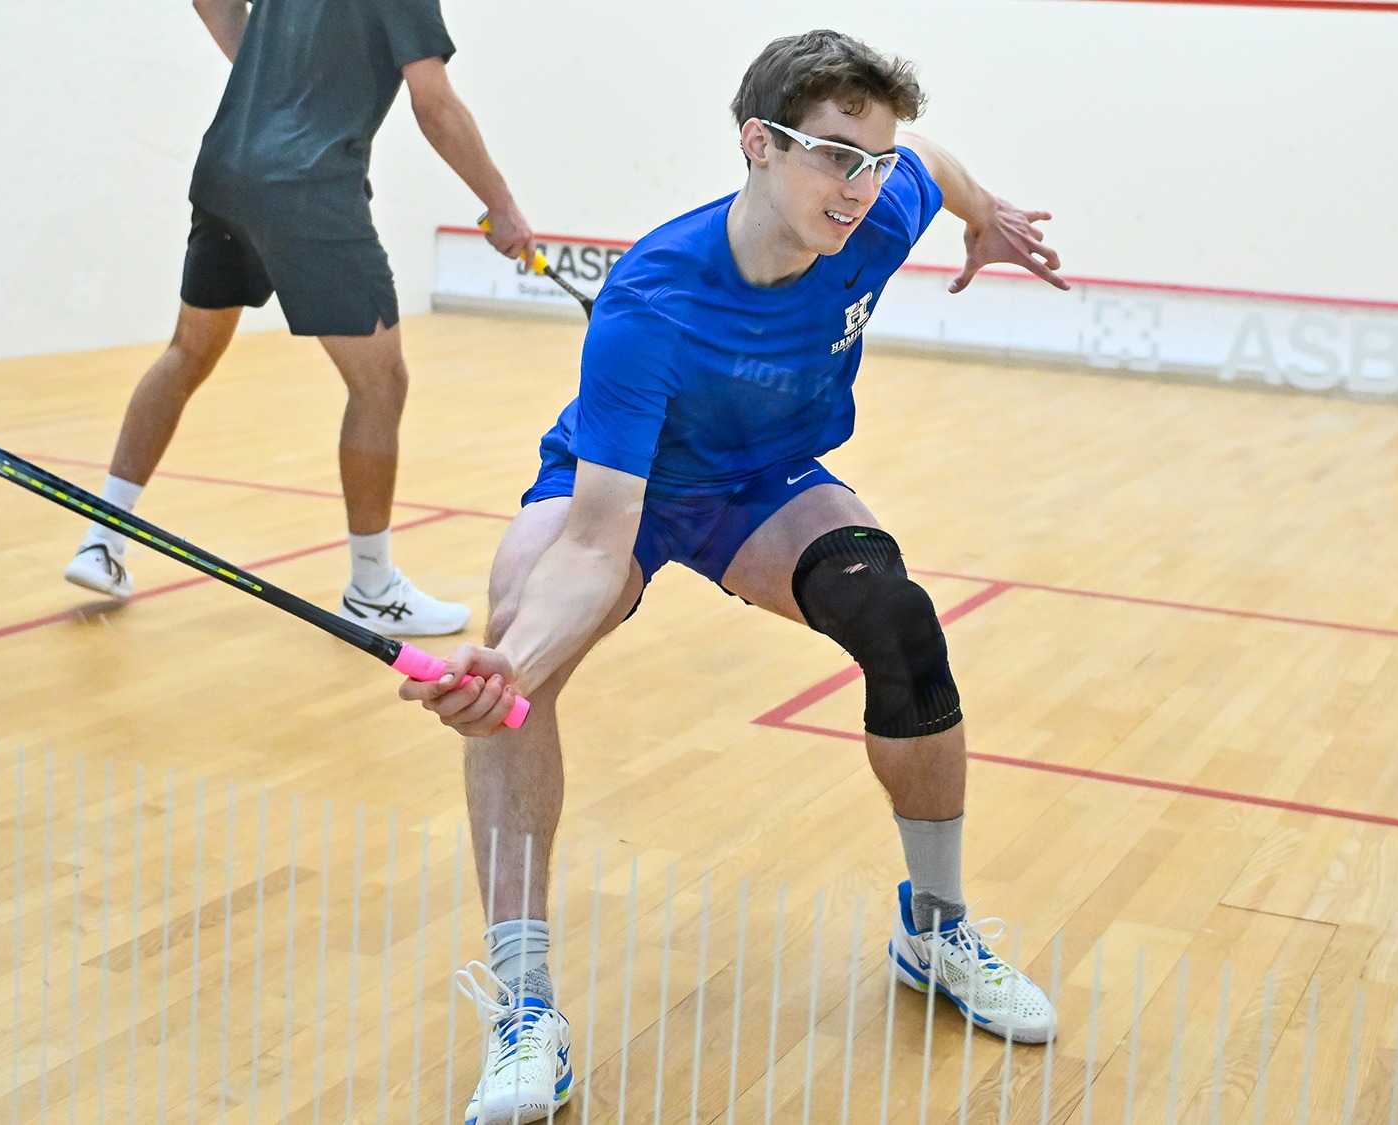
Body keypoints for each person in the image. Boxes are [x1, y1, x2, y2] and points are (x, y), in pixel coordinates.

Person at [407, 30, 1072, 1124]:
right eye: (831, 157)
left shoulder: (884, 202)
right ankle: (524, 1011)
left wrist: (983, 213)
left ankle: (937, 929)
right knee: (520, 653)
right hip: (621, 487)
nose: (857, 188)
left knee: (896, 621)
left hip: (763, 480)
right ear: (758, 146)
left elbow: (933, 166)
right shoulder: (653, 300)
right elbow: (596, 539)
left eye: (872, 161)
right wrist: (506, 670)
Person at [62, 0, 535, 637]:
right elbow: (436, 105)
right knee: (380, 384)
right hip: (308, 189)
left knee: (188, 352)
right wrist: (501, 206)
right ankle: (372, 588)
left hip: (227, 171)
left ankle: (103, 539)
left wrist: (274, 80)